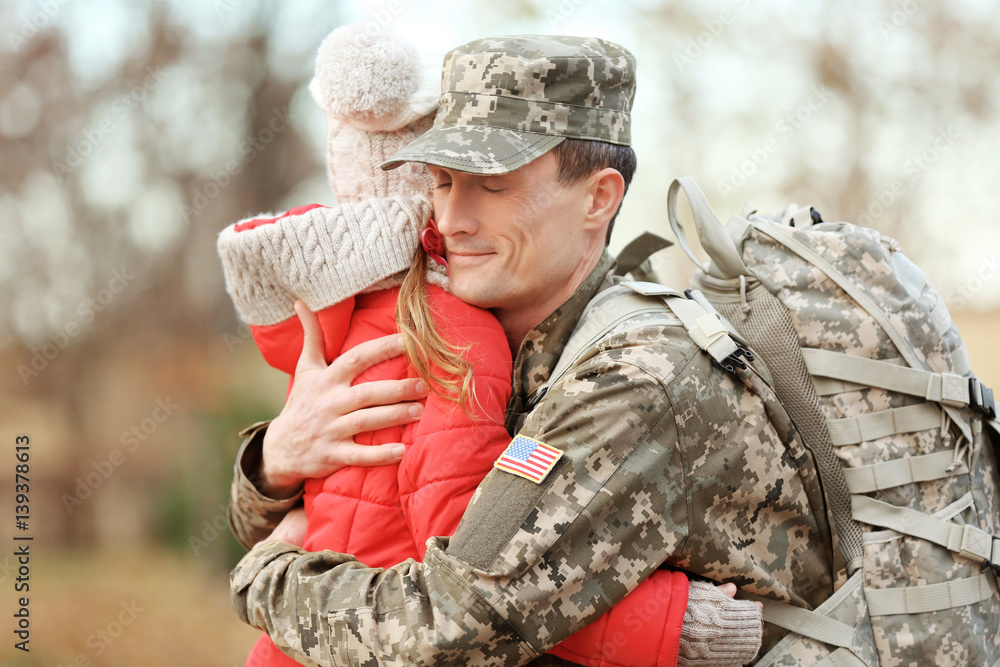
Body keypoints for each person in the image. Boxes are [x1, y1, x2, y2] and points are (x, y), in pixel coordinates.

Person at [228, 35, 825, 666]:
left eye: (493, 185)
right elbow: (345, 515)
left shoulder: (632, 378)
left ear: (599, 198)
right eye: (441, 180)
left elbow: (450, 631)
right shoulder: (477, 339)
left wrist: (266, 576)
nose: (452, 218)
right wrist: (274, 464)